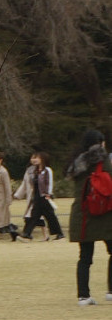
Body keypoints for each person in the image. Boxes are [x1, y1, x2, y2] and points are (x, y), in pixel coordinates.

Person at [65, 127, 112, 306]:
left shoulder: (76, 163)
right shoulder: (103, 159)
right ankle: (111, 291)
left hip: (82, 214)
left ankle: (83, 296)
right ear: (100, 143)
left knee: (85, 257)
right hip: (104, 213)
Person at [16, 150, 64, 241]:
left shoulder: (47, 170)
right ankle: (26, 234)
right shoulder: (35, 171)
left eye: (37, 158)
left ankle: (59, 234)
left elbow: (49, 183)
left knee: (50, 216)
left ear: (43, 159)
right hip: (37, 196)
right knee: (34, 215)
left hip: (44, 196)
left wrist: (48, 194)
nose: (35, 160)